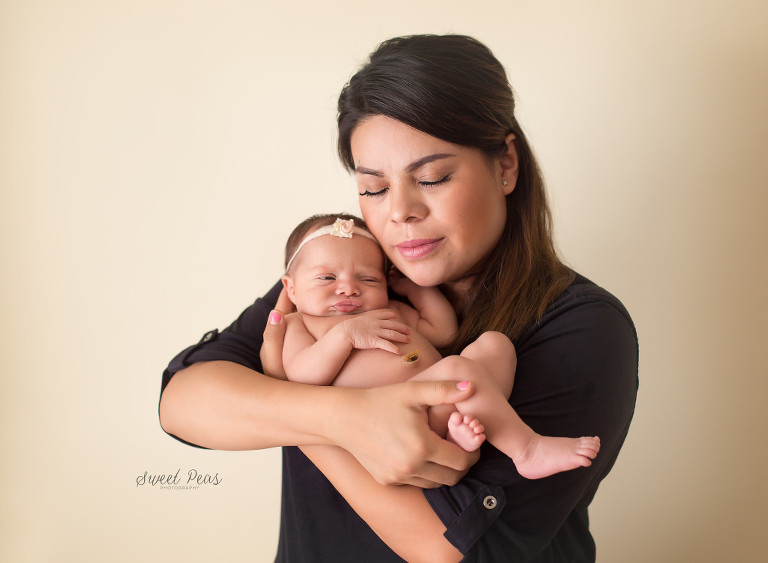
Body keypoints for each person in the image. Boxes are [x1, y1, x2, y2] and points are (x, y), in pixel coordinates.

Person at [159, 34, 638, 562]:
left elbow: (454, 552)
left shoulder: (583, 326)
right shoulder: (342, 279)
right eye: (373, 188)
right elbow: (183, 402)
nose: (400, 212)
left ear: (505, 164)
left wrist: (290, 400)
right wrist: (343, 418)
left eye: (431, 177)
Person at [278, 212, 601, 478]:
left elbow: (443, 332)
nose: (348, 289)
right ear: (291, 289)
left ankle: (460, 430)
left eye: (368, 279)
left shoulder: (390, 310)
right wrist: (343, 336)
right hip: (394, 417)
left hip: (444, 398)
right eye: (326, 278)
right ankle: (525, 449)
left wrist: (416, 288)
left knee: (494, 345)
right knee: (457, 368)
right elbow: (302, 378)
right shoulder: (301, 323)